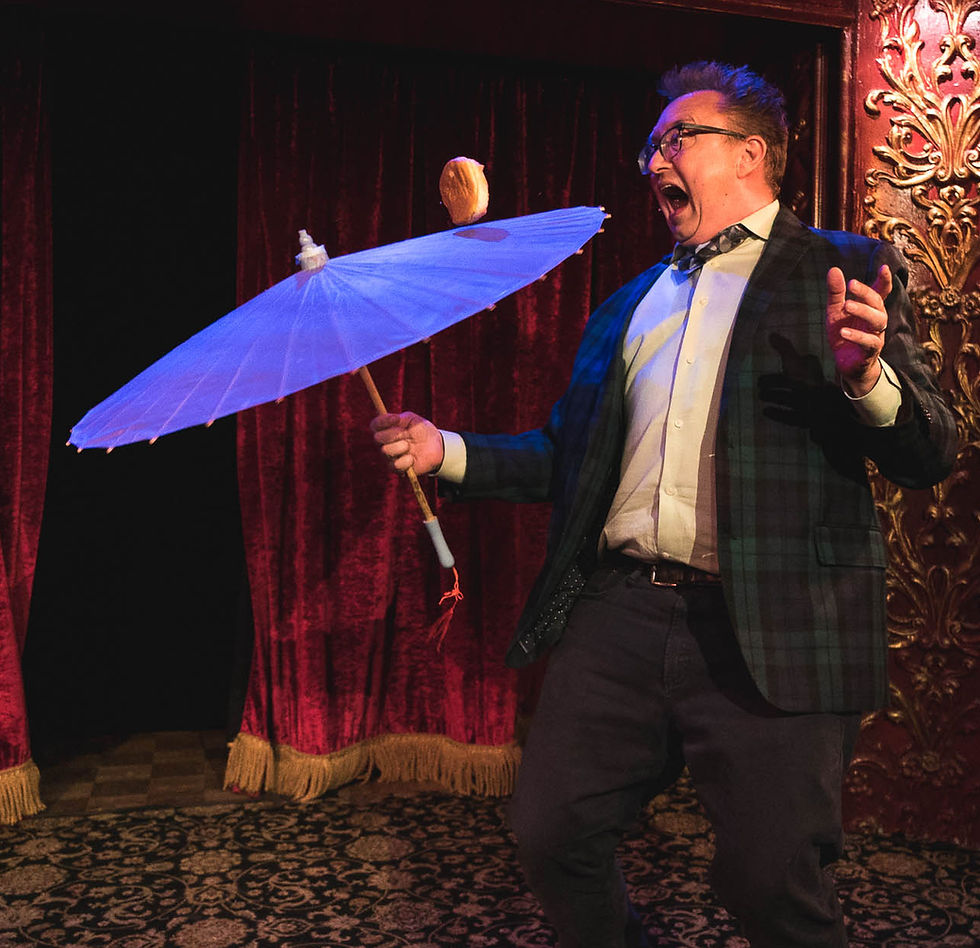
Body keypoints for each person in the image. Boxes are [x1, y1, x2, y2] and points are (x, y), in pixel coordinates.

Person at [372, 61, 957, 948]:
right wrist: (441, 450)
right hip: (623, 614)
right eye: (651, 146)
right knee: (552, 834)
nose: (654, 162)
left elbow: (931, 451)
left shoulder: (844, 267)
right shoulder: (628, 305)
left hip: (775, 621)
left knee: (770, 883)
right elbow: (568, 458)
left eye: (677, 139)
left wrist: (868, 380)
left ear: (752, 153)